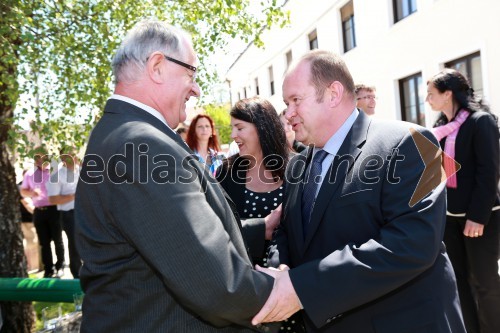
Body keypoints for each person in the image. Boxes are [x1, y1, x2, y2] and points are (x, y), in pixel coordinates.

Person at [74, 19, 275, 332]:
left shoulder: (124, 133)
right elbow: (215, 284)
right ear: (157, 66)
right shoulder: (141, 143)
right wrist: (280, 291)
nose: (195, 88)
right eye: (191, 72)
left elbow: (168, 236)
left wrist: (260, 227)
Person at [252, 50, 466, 333]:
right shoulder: (298, 164)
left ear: (333, 93)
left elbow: (414, 243)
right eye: (286, 103)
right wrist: (281, 271)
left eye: (295, 100)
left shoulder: (414, 141)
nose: (288, 113)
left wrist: (301, 287)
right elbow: (287, 231)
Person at [216, 97, 304, 333]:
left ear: (262, 128)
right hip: (245, 295)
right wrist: (261, 227)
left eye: (240, 127)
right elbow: (216, 227)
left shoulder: (298, 167)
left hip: (292, 292)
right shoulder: (227, 171)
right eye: (232, 127)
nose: (234, 135)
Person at [427, 68, 500, 333]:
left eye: (431, 93)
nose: (427, 99)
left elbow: (488, 172)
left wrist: (477, 217)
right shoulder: (439, 129)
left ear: (447, 94)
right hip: (449, 219)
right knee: (457, 283)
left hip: (480, 218)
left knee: (485, 282)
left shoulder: (481, 122)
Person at [20, 146, 65, 278]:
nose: (39, 159)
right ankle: (48, 269)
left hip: (54, 210)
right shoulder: (29, 174)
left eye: (42, 156)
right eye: (37, 156)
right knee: (43, 242)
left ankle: (60, 266)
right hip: (38, 211)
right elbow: (23, 191)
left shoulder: (54, 171)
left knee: (58, 239)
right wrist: (31, 193)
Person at [46, 147, 82, 279]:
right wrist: (74, 196)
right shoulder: (56, 176)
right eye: (69, 155)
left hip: (85, 212)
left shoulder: (82, 171)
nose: (73, 157)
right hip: (69, 215)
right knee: (75, 245)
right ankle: (77, 277)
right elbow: (53, 199)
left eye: (74, 154)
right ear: (62, 158)